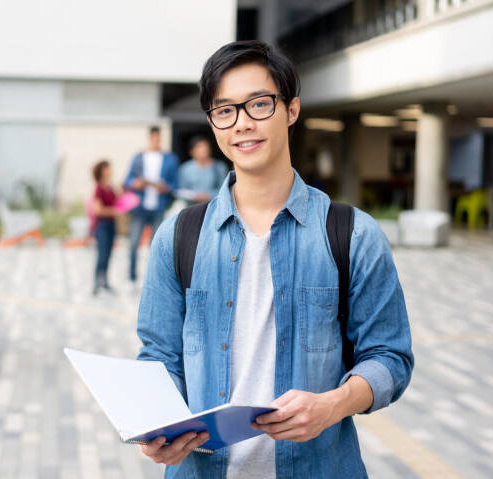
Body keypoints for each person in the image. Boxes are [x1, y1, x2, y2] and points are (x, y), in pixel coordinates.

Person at [136, 40, 413, 478]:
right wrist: (155, 426)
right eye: (225, 110)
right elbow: (159, 357)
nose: (242, 123)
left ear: (292, 109)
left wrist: (331, 405)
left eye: (259, 104)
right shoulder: (178, 236)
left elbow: (390, 357)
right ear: (212, 123)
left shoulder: (352, 234)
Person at [123, 126, 178, 291]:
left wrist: (165, 188)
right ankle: (131, 279)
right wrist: (135, 184)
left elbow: (175, 184)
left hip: (158, 208)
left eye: (158, 138)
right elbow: (127, 181)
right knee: (133, 244)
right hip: (139, 208)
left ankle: (154, 281)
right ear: (149, 138)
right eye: (153, 138)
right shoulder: (139, 157)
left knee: (156, 247)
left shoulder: (169, 159)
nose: (156, 141)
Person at [88, 160, 119, 295]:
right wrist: (113, 211)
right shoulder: (99, 189)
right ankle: (96, 282)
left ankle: (105, 281)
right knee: (101, 254)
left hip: (111, 224)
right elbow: (97, 209)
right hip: (102, 225)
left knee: (108, 254)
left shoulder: (110, 188)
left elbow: (118, 202)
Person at [177, 136, 228, 206]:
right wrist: (194, 196)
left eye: (205, 147)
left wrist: (209, 195)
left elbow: (225, 189)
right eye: (199, 147)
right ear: (192, 152)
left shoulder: (219, 167)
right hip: (192, 207)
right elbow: (180, 191)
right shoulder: (185, 168)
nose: (203, 150)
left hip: (214, 206)